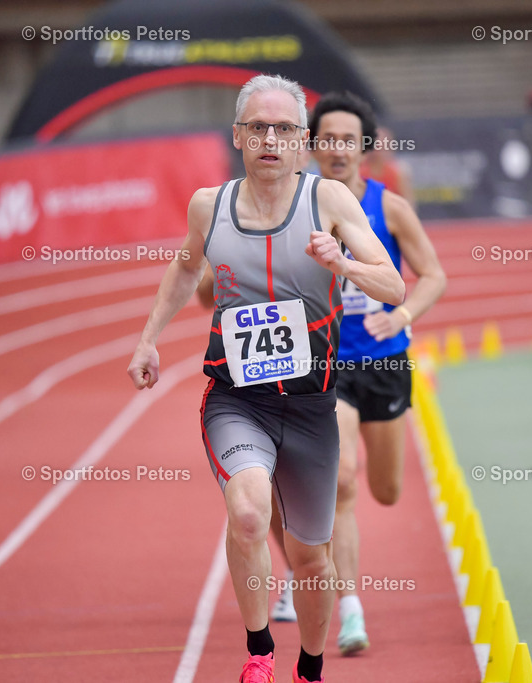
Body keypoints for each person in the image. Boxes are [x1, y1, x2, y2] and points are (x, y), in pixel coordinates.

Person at [127, 74, 404, 683]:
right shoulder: (210, 205)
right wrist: (149, 338)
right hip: (236, 400)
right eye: (258, 128)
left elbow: (395, 285)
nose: (270, 139)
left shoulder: (329, 201)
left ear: (302, 141)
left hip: (310, 407)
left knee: (310, 560)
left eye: (283, 129)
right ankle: (258, 654)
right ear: (238, 137)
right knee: (249, 513)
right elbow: (181, 272)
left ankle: (310, 666)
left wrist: (344, 262)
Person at [266, 91, 446, 655]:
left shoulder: (389, 208)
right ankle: (350, 610)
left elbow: (434, 275)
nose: (338, 149)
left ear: (364, 147)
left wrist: (402, 314)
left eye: (349, 139)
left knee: (386, 491)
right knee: (341, 483)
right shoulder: (293, 204)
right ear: (313, 145)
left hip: (386, 365)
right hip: (328, 366)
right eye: (328, 139)